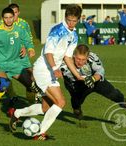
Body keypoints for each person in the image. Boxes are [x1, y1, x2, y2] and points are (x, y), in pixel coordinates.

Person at [9, 4, 82, 140]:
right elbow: (48, 52)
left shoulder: (74, 35)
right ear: (65, 17)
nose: (71, 23)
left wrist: (78, 76)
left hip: (51, 71)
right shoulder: (57, 30)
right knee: (60, 102)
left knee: (45, 108)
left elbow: (67, 57)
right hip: (43, 69)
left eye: (74, 20)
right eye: (69, 20)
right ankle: (39, 133)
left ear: (78, 20)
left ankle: (17, 113)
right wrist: (55, 69)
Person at [0, 7, 39, 117]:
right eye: (6, 18)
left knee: (30, 85)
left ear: (14, 17)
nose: (8, 20)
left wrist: (30, 49)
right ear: (2, 18)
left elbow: (28, 40)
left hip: (15, 62)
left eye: (10, 17)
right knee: (4, 83)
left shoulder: (19, 29)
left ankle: (31, 107)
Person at [60, 44, 126, 119]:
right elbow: (72, 78)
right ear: (73, 56)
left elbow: (100, 70)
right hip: (76, 85)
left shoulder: (92, 57)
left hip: (94, 80)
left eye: (83, 60)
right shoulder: (65, 64)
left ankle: (123, 102)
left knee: (113, 93)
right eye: (78, 59)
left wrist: (93, 79)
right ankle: (76, 109)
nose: (80, 62)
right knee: (76, 100)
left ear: (87, 57)